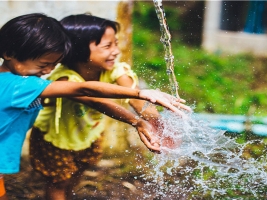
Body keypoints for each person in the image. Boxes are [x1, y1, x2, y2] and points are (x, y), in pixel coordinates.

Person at [0, 13, 190, 200]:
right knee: (55, 183)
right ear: (8, 53)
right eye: (44, 64)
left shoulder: (18, 80)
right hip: (56, 139)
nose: (48, 71)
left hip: (84, 135)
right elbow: (86, 91)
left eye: (53, 64)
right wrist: (139, 95)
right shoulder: (21, 85)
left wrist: (150, 119)